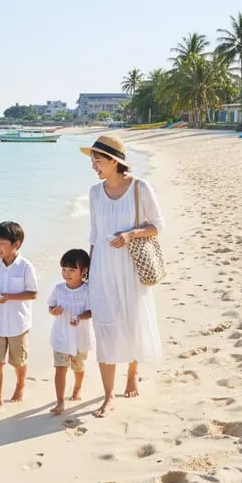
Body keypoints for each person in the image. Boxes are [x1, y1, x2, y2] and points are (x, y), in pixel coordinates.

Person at [80, 134, 165, 418]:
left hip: (131, 267)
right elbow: (93, 234)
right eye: (92, 159)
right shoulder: (93, 193)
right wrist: (88, 273)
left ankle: (132, 373)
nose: (94, 165)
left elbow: (156, 225)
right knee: (105, 327)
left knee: (132, 321)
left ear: (115, 162)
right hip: (103, 267)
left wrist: (130, 234)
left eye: (99, 159)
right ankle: (108, 395)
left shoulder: (141, 188)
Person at [0, 221, 38, 420]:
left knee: (17, 362)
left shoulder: (25, 267)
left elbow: (33, 294)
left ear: (16, 244)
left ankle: (20, 384)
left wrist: (9, 297)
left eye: (2, 243)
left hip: (18, 324)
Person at [47, 249, 93, 416]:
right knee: (60, 368)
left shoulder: (87, 290)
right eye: (64, 269)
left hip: (80, 337)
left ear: (84, 271)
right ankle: (60, 401)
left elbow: (91, 311)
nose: (66, 274)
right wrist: (54, 311)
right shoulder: (58, 289)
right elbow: (50, 306)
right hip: (61, 336)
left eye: (72, 270)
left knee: (78, 367)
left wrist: (79, 317)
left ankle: (78, 387)